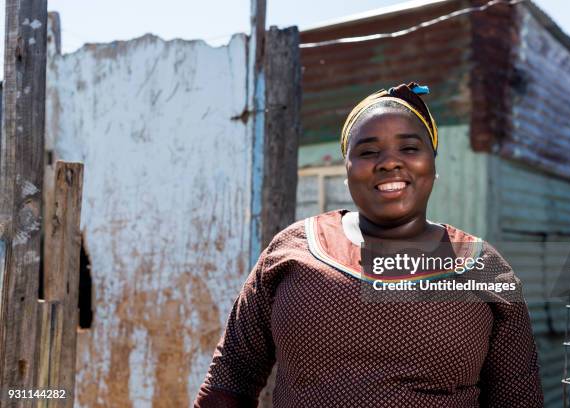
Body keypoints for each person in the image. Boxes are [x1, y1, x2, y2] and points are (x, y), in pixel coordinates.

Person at [193, 83, 544, 407]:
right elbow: (230, 380)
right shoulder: (293, 249)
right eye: (368, 151)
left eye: (409, 148)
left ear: (433, 164)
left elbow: (518, 399)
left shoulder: (484, 269)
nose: (389, 162)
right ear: (346, 168)